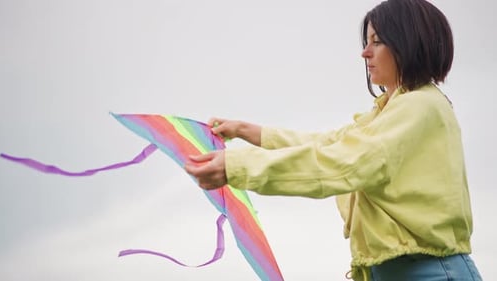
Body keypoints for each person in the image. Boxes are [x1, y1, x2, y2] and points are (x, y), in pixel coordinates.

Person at [184, 0, 483, 280]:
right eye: (367, 42)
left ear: (408, 43)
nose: (365, 53)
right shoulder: (386, 113)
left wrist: (236, 167)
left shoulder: (420, 106)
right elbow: (326, 144)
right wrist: (249, 132)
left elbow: (344, 163)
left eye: (377, 41)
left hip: (431, 272)